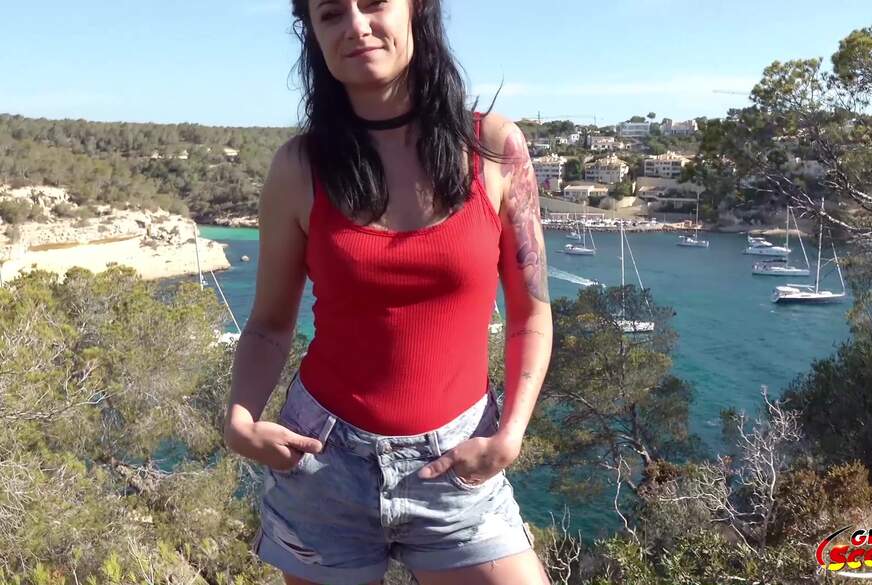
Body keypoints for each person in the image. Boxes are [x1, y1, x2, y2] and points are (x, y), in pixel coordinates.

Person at [223, 0, 553, 583]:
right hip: (324, 465)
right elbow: (270, 324)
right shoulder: (299, 168)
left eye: (374, 3)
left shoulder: (494, 148)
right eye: (331, 13)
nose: (356, 25)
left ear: (415, 10)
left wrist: (510, 435)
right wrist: (241, 419)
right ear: (313, 33)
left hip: (457, 467)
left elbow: (530, 313)